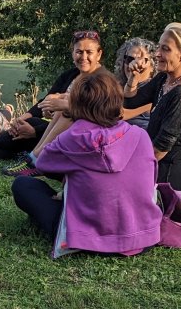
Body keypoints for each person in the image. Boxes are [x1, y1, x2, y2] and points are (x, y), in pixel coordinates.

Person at [11, 70, 162, 256]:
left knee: (23, 185)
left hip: (88, 240)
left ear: (76, 104)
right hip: (142, 237)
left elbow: (43, 163)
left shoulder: (72, 137)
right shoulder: (141, 135)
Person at [0, 30, 105, 171]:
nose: (83, 57)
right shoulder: (70, 75)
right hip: (57, 128)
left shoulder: (102, 81)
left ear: (99, 54)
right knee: (26, 126)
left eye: (89, 52)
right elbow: (45, 102)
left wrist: (36, 131)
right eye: (79, 52)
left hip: (80, 134)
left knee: (32, 130)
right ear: (73, 53)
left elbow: (96, 116)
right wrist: (20, 119)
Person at [139, 23, 181, 194]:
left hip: (169, 179)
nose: (157, 54)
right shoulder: (165, 78)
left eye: (165, 49)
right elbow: (133, 100)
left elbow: (159, 150)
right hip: (155, 167)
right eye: (159, 47)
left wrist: (128, 167)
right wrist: (133, 79)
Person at [115, 37, 156, 127]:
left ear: (152, 67)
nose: (134, 64)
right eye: (129, 59)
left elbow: (117, 114)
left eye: (142, 60)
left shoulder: (155, 89)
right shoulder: (115, 87)